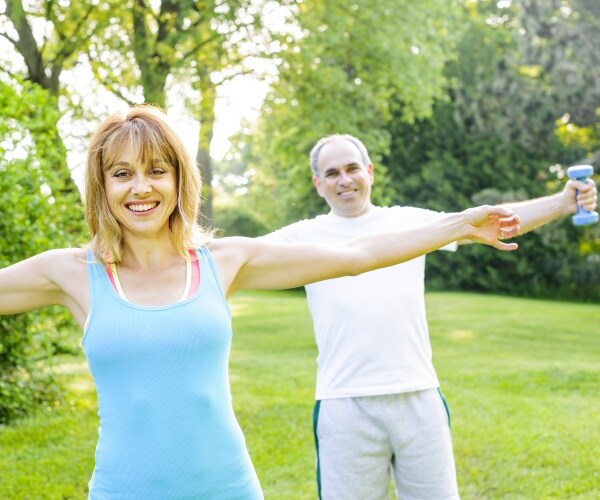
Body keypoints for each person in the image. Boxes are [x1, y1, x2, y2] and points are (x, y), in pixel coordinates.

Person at [0, 106, 520, 499]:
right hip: (123, 488)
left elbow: (357, 253)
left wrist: (456, 225)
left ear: (180, 180)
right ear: (101, 185)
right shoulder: (70, 273)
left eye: (157, 170)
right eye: (122, 174)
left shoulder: (223, 261)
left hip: (227, 485)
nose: (142, 188)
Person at [262, 134, 598, 500]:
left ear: (370, 172)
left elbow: (490, 221)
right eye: (332, 173)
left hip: (418, 397)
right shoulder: (303, 236)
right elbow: (239, 257)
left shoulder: (410, 221)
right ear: (318, 184)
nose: (344, 180)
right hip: (344, 404)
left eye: (352, 168)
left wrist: (564, 202)